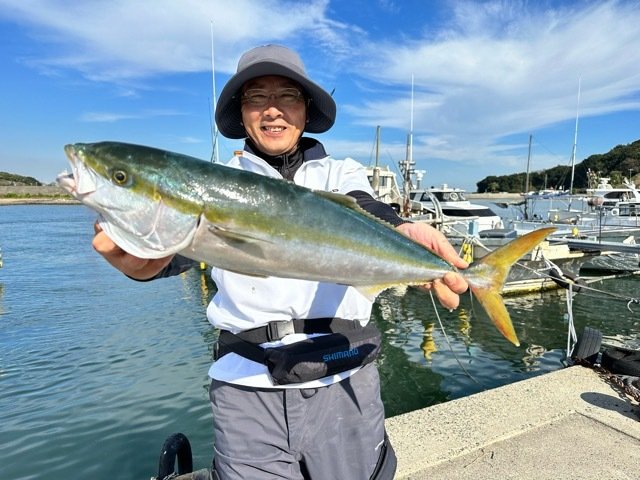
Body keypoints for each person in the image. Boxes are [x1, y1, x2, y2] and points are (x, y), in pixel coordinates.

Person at [92, 45, 468, 480]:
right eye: (256, 98)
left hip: (343, 377)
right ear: (241, 113)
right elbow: (173, 252)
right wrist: (142, 264)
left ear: (306, 110)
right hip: (247, 386)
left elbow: (367, 210)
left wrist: (403, 231)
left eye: (287, 96)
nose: (272, 111)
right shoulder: (215, 185)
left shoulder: (340, 174)